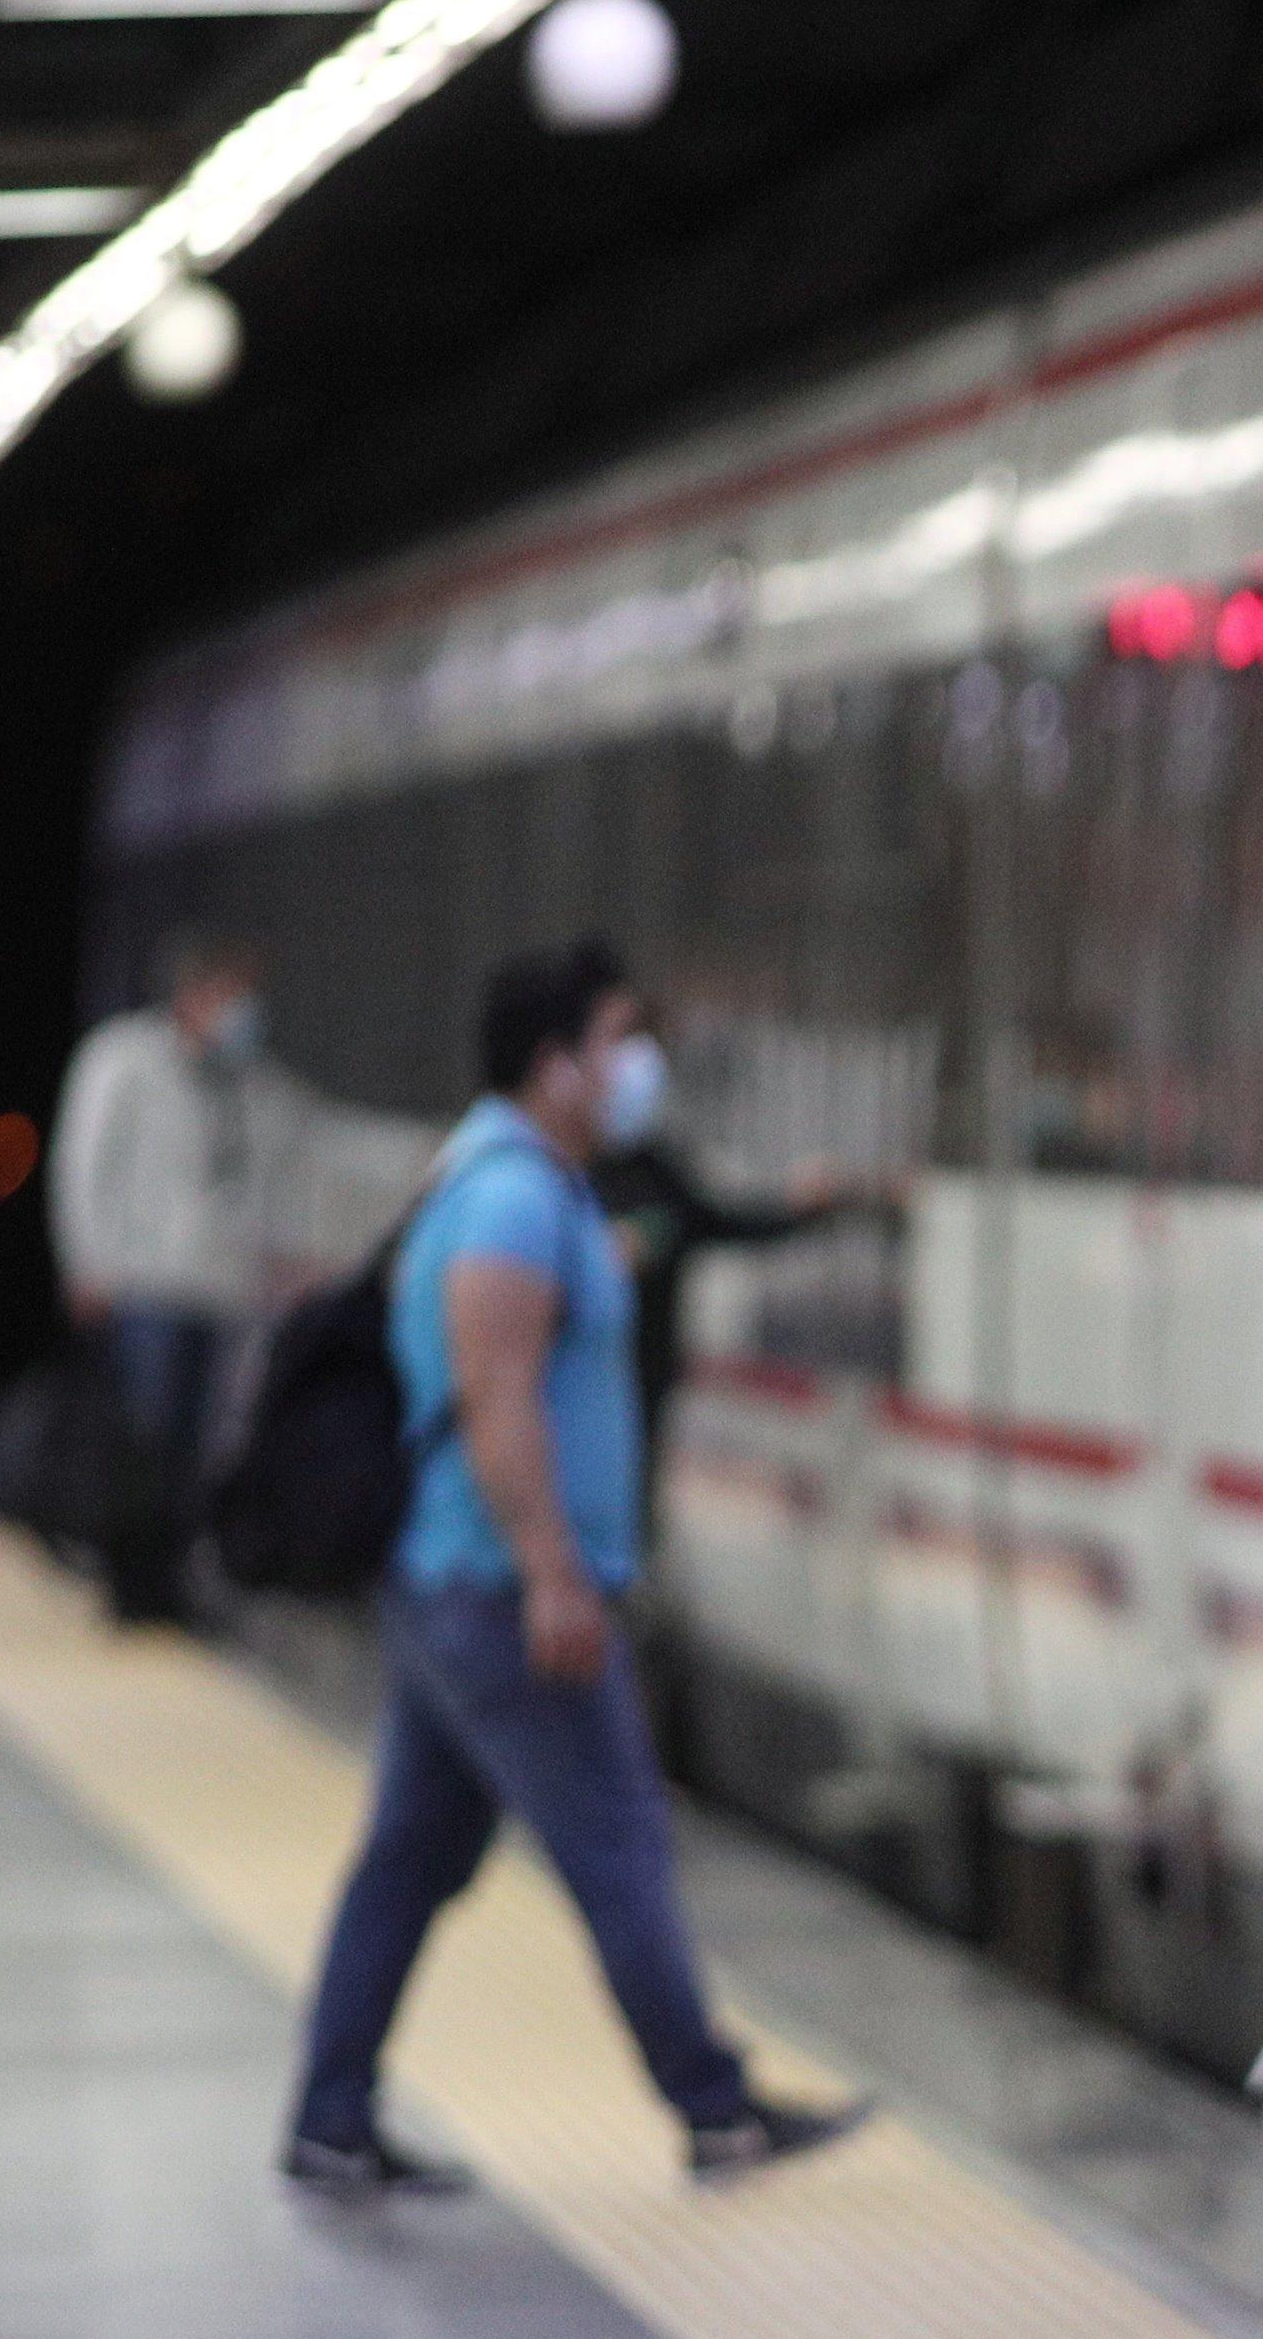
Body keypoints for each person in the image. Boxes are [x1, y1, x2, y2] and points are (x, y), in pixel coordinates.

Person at [283, 952, 868, 2199]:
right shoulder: (509, 1201)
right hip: (496, 1588)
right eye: (617, 1041)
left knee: (412, 1854)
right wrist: (554, 1572)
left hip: (458, 1582)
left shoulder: (527, 1182)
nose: (637, 1067)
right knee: (616, 1839)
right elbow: (495, 1398)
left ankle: (331, 2118)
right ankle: (718, 2111)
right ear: (554, 1065)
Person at [537, 939, 896, 1517]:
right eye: (615, 1040)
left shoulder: (655, 1172)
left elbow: (715, 1219)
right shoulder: (530, 1181)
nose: (632, 1064)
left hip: (633, 1420)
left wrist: (804, 1205)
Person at [46, 933, 271, 1620]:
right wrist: (86, 1261)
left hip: (213, 1287)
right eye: (234, 994)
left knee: (192, 1449)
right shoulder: (124, 1058)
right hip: (143, 1283)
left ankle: (171, 1581)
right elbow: (81, 1162)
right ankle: (129, 1579)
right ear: (196, 992)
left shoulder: (239, 1080)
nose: (246, 1011)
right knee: (142, 1440)